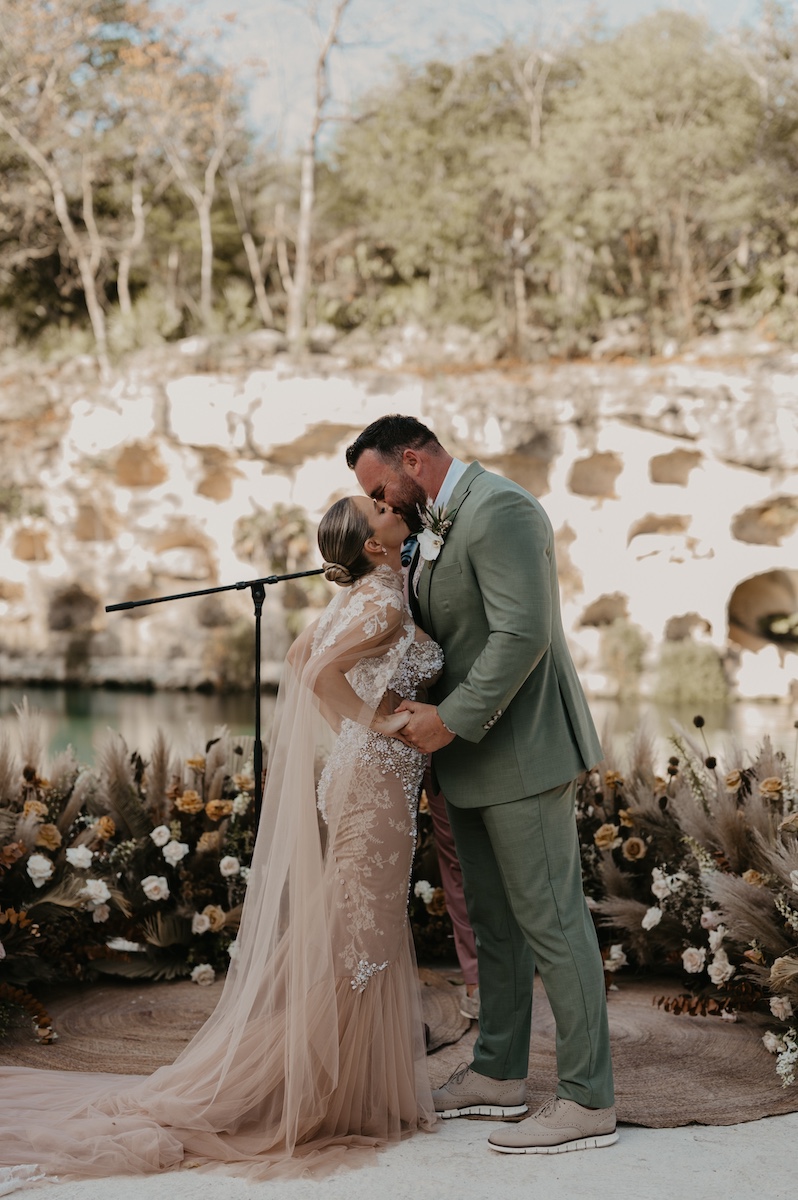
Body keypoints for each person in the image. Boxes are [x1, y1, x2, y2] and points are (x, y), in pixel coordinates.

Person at [0, 495, 443, 1186]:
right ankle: (313, 1093)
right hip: (376, 781)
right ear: (376, 544)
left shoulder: (362, 595)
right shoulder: (382, 604)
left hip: (364, 776)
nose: (391, 509)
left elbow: (302, 661)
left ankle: (342, 1085)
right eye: (378, 510)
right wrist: (379, 727)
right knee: (363, 932)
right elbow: (319, 674)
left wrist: (357, 729)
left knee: (356, 928)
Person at [346, 414, 617, 1155]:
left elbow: (522, 632)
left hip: (522, 753)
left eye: (378, 489)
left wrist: (447, 721)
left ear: (411, 459)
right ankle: (498, 1075)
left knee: (553, 923)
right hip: (468, 759)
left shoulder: (502, 509)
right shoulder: (437, 523)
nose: (380, 501)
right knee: (495, 926)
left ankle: (589, 1100)